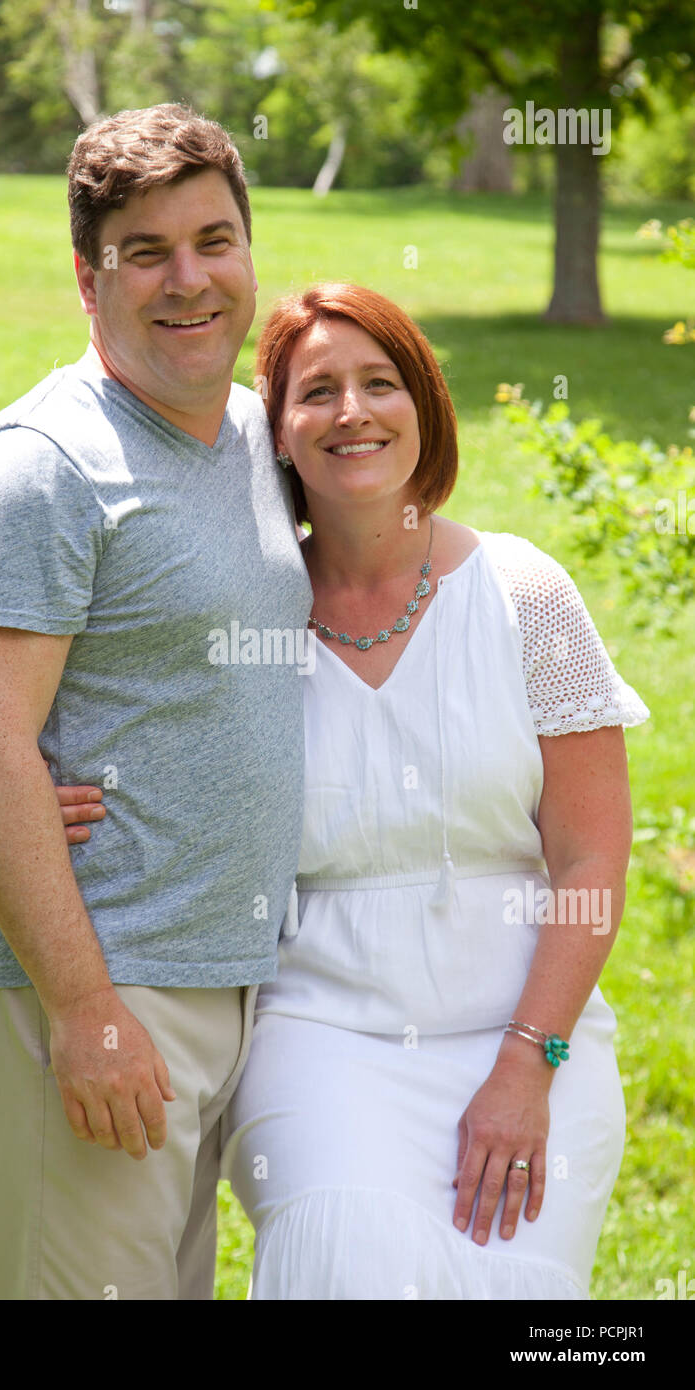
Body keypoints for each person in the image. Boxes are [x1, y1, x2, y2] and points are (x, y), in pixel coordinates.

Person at [54, 282, 649, 1300]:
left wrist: (525, 1062)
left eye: (379, 383)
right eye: (314, 392)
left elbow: (591, 857)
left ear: (423, 407)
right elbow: (122, 733)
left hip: (527, 1030)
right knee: (346, 1261)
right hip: (320, 1030)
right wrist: (40, 792)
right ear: (274, 434)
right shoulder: (246, 616)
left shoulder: (524, 595)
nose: (351, 412)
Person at [0, 104, 312, 1301]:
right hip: (93, 987)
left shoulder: (257, 432)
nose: (188, 279)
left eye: (214, 239)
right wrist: (86, 1010)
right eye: (144, 251)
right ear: (88, 277)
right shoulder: (40, 466)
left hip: (224, 982)